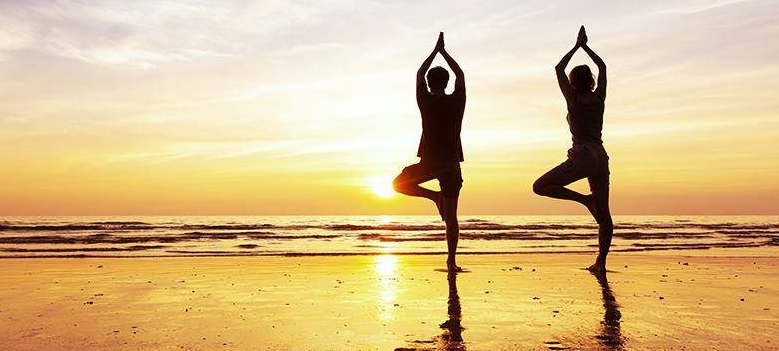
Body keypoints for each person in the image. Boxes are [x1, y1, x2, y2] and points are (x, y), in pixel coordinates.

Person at [533, 26, 614, 273]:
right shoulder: (599, 98)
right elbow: (603, 68)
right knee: (605, 215)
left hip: (582, 155)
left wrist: (576, 46)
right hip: (601, 156)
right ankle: (601, 263)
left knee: (540, 186)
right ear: (590, 81)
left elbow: (558, 69)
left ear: (572, 82)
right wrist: (586, 47)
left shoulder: (574, 99)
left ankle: (584, 200)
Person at [393, 32, 466, 272]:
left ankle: (433, 197)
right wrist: (445, 53)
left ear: (430, 83)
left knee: (398, 184)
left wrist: (435, 51)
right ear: (445, 83)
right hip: (451, 165)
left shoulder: (425, 100)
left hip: (431, 163)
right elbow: (461, 75)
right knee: (452, 217)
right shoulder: (457, 101)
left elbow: (418, 75)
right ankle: (451, 261)